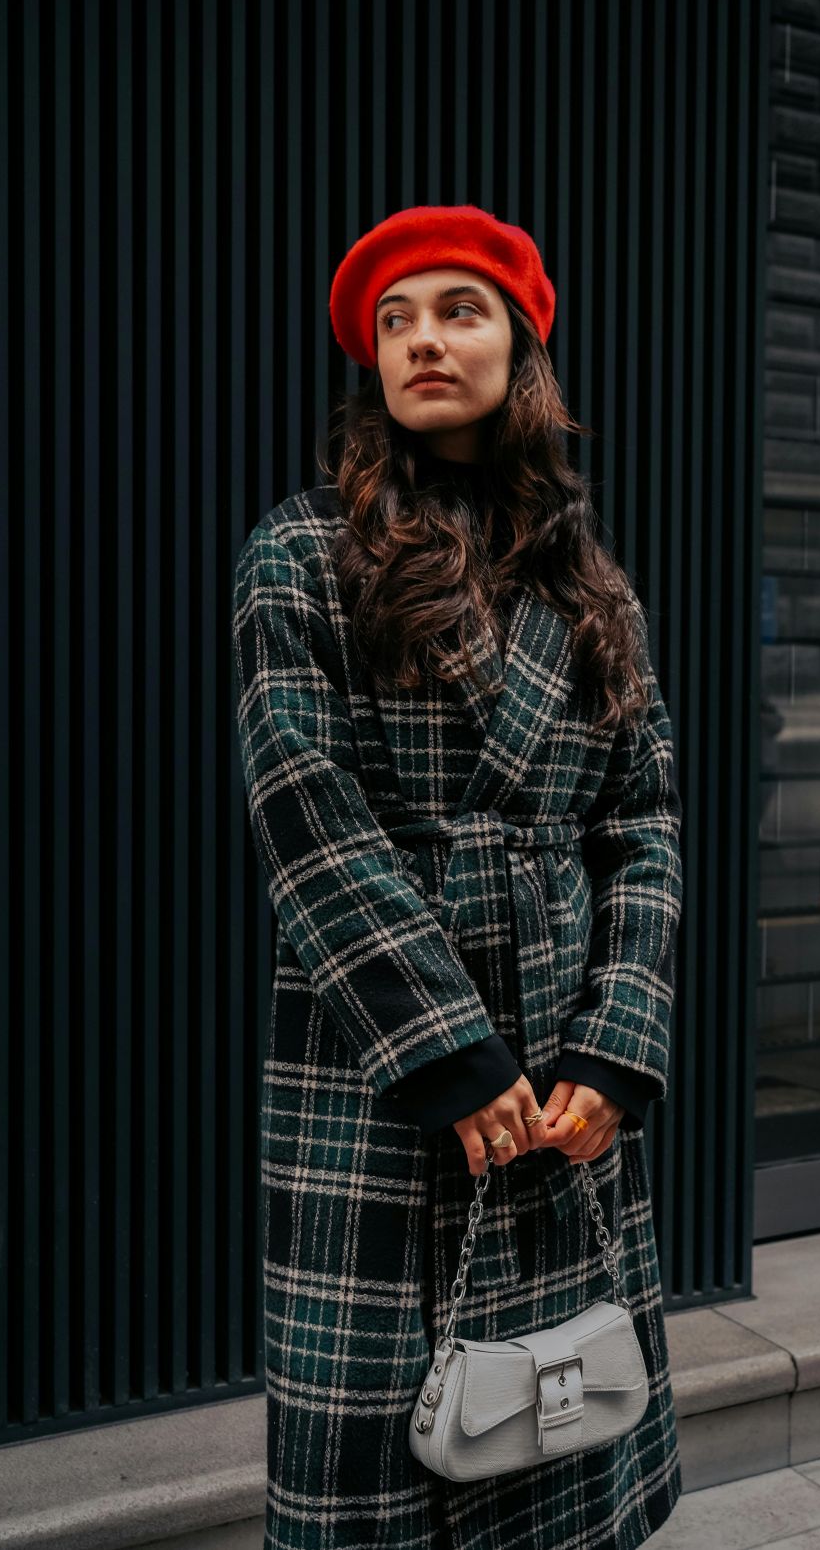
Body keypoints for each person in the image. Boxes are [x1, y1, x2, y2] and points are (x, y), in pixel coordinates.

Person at [232, 204, 684, 1550]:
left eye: (459, 309)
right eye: (394, 320)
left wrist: (616, 1045)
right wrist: (451, 1059)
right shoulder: (302, 552)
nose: (423, 339)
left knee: (558, 1423)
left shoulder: (593, 583)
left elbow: (644, 821)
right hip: (386, 1069)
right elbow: (307, 815)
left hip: (559, 1075)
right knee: (384, 1468)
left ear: (520, 343)